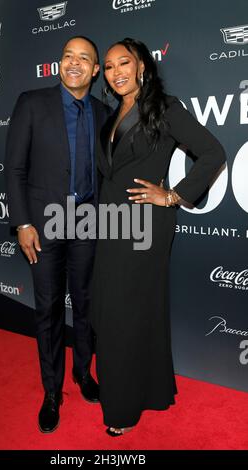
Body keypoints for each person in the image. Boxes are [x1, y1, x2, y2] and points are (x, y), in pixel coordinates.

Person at [90, 38, 226, 436]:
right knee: (113, 310)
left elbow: (213, 152)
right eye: (110, 66)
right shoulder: (113, 114)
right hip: (111, 224)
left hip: (146, 225)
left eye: (124, 63)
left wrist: (174, 196)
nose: (116, 72)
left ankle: (122, 408)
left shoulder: (164, 109)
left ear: (142, 67)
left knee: (122, 315)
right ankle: (143, 387)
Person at [5, 36, 110, 433]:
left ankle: (83, 373)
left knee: (86, 304)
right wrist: (23, 223)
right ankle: (52, 392)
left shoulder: (103, 112)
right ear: (59, 63)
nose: (74, 63)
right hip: (43, 224)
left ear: (96, 70)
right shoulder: (32, 103)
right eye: (68, 56)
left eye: (84, 58)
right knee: (48, 309)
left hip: (86, 221)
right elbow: (14, 168)